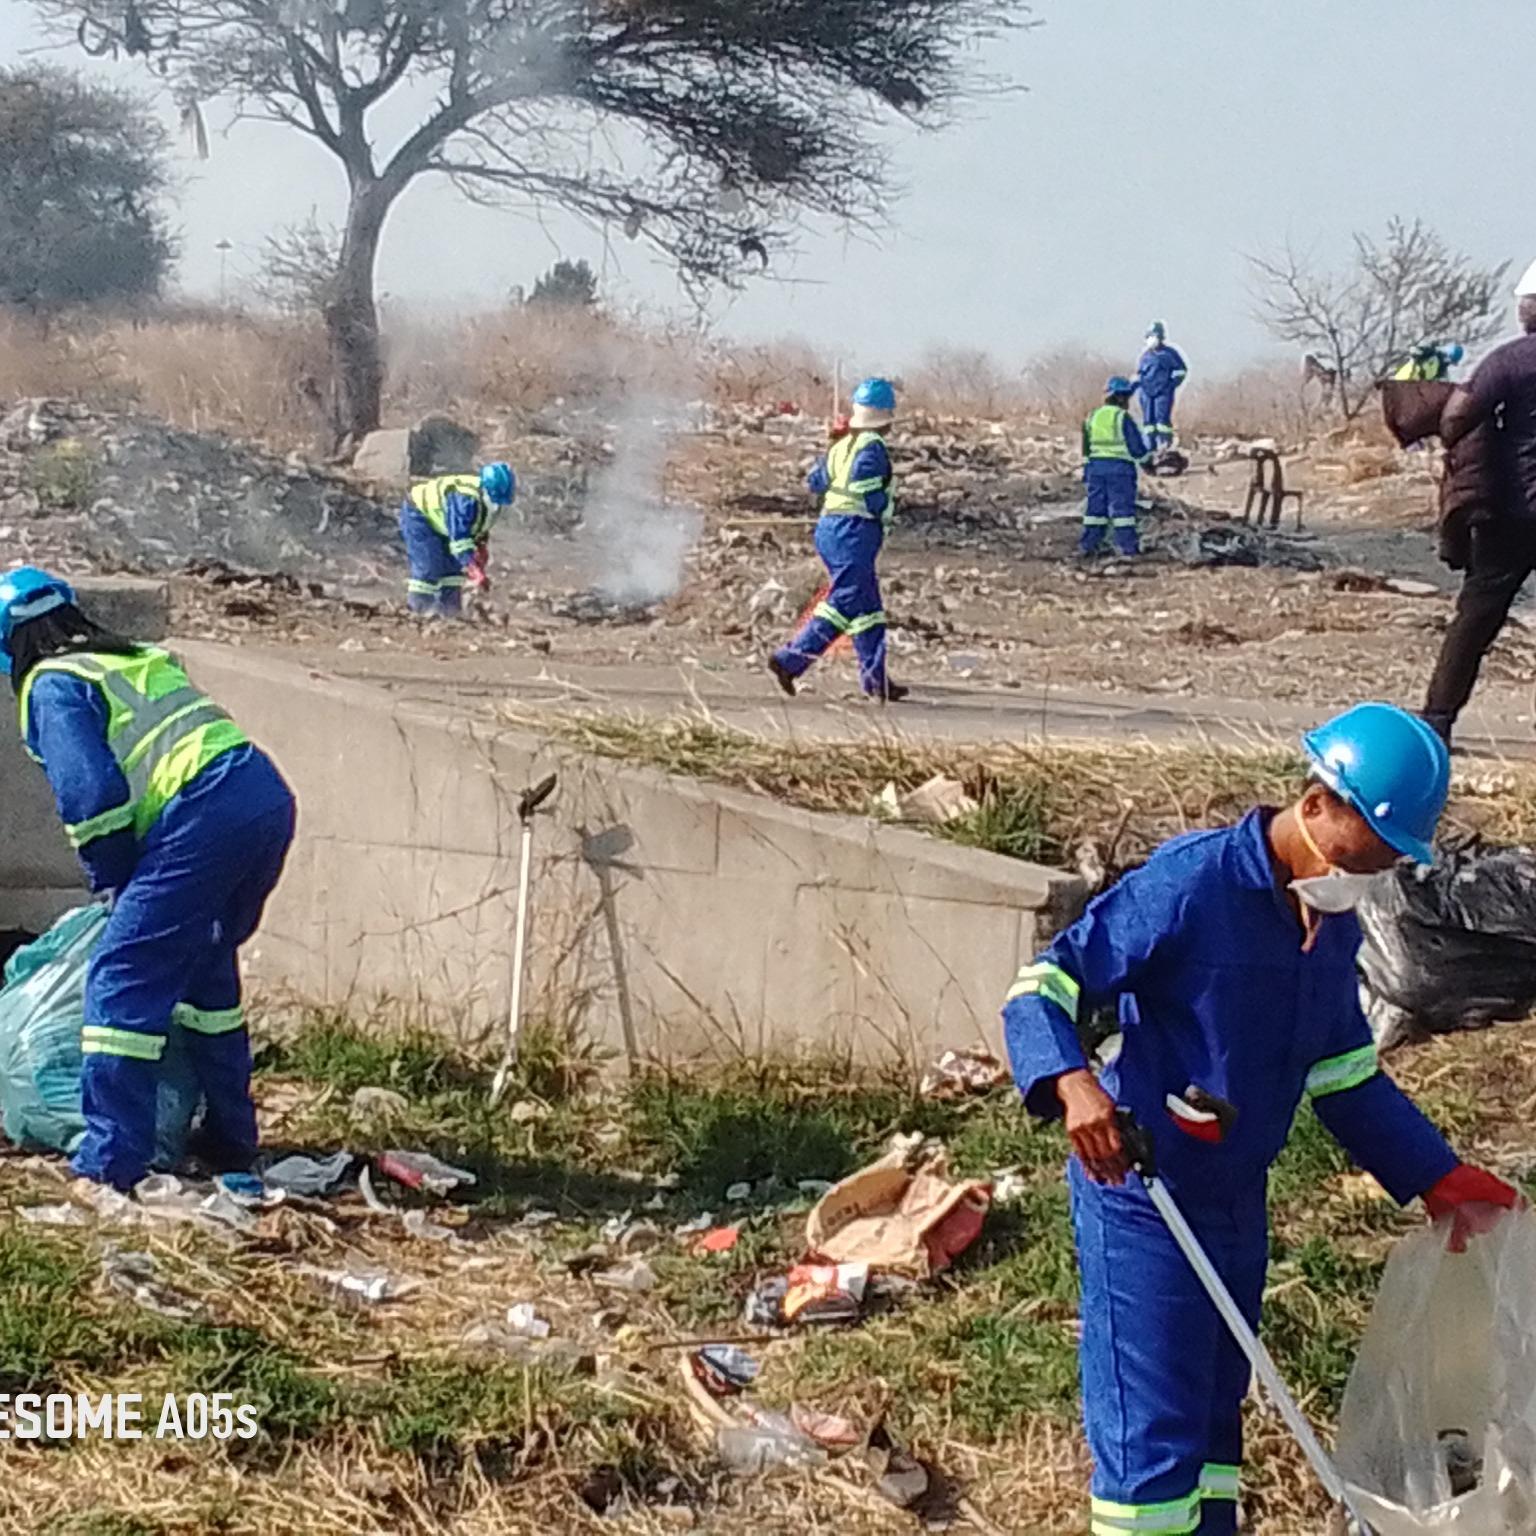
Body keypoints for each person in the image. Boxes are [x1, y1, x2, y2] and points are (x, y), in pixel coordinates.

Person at [1000, 702, 1520, 1536]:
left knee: (1214, 1427)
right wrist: (1070, 1083)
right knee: (1153, 1446)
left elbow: (1343, 1074)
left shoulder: (1331, 924)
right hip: (1147, 1195)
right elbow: (1049, 982)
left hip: (1236, 1196)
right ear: (1317, 805)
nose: (1367, 875)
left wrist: (1434, 1174)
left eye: (1387, 863)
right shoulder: (1193, 885)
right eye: (1364, 853)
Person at [1, 567, 296, 1192]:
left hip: (202, 813)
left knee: (121, 974)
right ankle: (231, 1139)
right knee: (204, 966)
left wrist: (112, 878)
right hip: (263, 796)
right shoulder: (132, 658)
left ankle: (111, 1157)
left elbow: (92, 793)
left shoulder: (52, 683)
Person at [1422, 264, 1536, 745]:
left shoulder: (1509, 362)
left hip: (1512, 514)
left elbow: (1456, 418)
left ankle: (1437, 722)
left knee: (1475, 620)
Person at [769, 378, 907, 702]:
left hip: (831, 529)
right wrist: (882, 511)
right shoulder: (873, 448)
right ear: (886, 416)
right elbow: (866, 490)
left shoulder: (843, 445)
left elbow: (816, 481)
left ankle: (876, 680)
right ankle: (791, 660)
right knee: (845, 602)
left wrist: (830, 444)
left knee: (868, 609)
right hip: (854, 532)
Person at [400, 462, 517, 617]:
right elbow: (459, 540)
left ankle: (450, 613)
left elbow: (479, 527)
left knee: (453, 571)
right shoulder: (465, 500)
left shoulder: (493, 503)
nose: (497, 504)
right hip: (420, 515)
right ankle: (419, 611)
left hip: (443, 522)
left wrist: (480, 548)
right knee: (429, 565)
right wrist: (474, 569)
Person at [1081, 376, 1152, 557]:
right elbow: (1136, 447)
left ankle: (1089, 546)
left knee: (1095, 511)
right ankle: (1127, 549)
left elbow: (1086, 449)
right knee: (1123, 513)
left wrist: (1087, 472)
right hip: (1119, 470)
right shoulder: (1122, 417)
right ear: (1121, 397)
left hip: (1095, 469)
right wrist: (1148, 463)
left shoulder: (1092, 416)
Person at [1137, 320, 1189, 456]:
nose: (1151, 339)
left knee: (1162, 423)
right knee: (1148, 424)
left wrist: (1170, 385)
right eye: (1149, 336)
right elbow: (1140, 374)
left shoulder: (1170, 354)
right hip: (1146, 393)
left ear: (1160, 337)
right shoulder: (1145, 355)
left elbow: (1181, 371)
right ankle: (1149, 450)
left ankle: (1164, 447)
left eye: (1154, 336)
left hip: (1163, 393)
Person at [1394, 342, 1465, 382]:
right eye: (1449, 356)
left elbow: (1439, 385)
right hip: (1405, 378)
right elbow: (1414, 350)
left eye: (1450, 360)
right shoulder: (1432, 353)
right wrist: (1420, 351)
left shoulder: (1442, 372)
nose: (1447, 360)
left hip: (1414, 386)